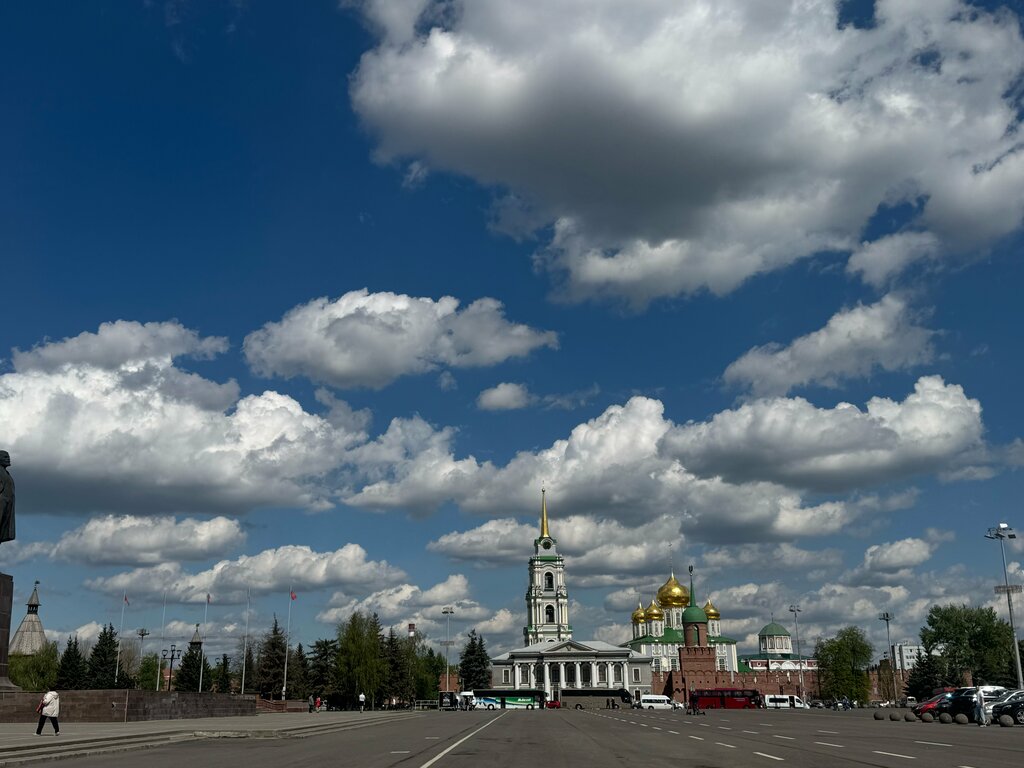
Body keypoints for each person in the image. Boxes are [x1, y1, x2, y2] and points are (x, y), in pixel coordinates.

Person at [0, 450, 15, 544]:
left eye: (8, 456)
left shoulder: (6, 473)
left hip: (7, 503)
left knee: (2, 529)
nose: (8, 459)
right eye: (5, 457)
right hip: (1, 501)